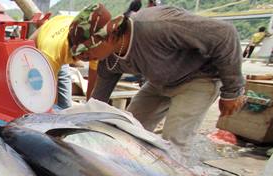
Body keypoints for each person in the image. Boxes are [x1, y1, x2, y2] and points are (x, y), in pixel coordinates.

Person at [71, 3, 246, 150]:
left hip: (198, 77)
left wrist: (232, 91)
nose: (85, 58)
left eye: (87, 50)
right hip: (159, 81)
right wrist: (82, 129)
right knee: (128, 130)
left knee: (173, 143)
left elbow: (225, 34)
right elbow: (98, 102)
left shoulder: (155, 26)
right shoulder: (108, 60)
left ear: (109, 35)